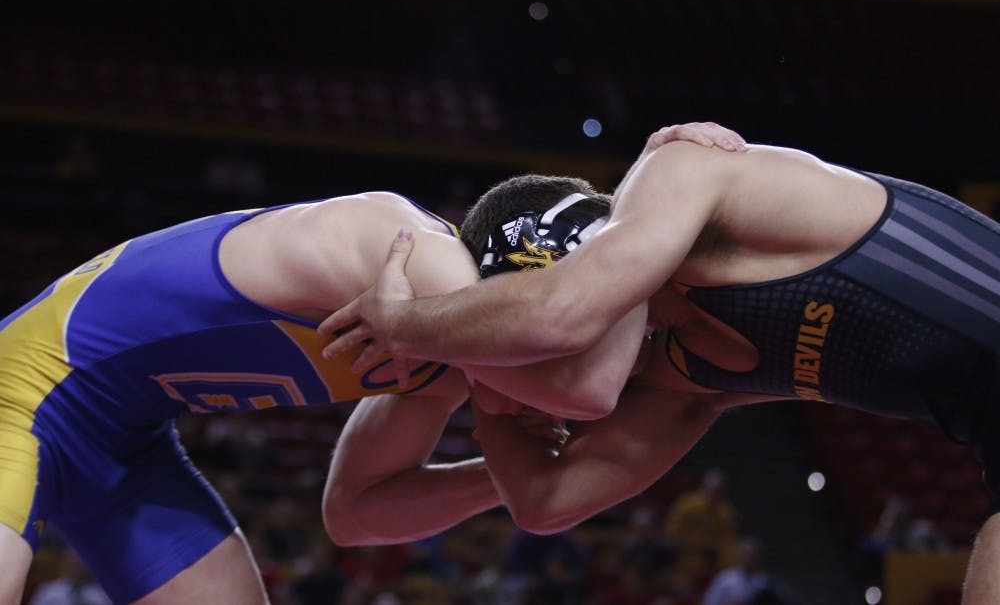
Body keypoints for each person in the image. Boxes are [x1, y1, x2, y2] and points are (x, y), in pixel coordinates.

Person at [0, 122, 743, 604]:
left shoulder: (443, 357)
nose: (537, 398)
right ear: (522, 284)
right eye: (560, 333)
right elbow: (587, 392)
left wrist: (503, 470)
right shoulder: (404, 247)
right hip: (20, 391)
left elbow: (353, 514)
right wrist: (657, 198)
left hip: (126, 449)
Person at [320, 124, 999, 601]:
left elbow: (564, 321)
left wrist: (410, 325)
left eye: (527, 361)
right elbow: (543, 500)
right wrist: (486, 382)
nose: (513, 389)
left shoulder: (687, 176)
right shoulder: (677, 387)